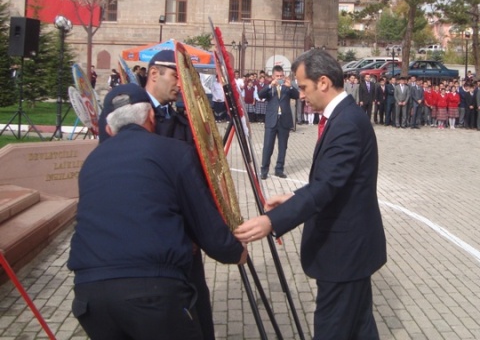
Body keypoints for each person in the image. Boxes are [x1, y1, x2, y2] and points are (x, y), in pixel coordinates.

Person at [69, 83, 247, 340]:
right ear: (151, 117)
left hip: (90, 295)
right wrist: (234, 252)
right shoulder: (174, 153)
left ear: (109, 128)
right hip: (152, 292)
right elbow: (204, 221)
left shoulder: (91, 163)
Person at [234, 49, 387, 340]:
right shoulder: (342, 117)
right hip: (350, 251)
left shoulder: (347, 124)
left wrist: (272, 221)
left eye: (303, 87)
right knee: (359, 327)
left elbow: (327, 186)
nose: (300, 95)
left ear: (324, 82)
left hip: (344, 252)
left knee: (334, 329)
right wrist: (294, 196)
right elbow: (334, 180)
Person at [97, 50, 217, 340]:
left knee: (198, 314)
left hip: (185, 238)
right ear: (154, 74)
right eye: (177, 75)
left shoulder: (179, 116)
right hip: (148, 244)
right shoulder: (124, 114)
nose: (181, 84)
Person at [258, 65, 299, 179]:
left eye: (281, 76)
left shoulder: (287, 87)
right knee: (267, 146)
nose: (280, 78)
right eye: (277, 76)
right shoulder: (270, 87)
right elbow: (260, 95)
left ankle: (279, 169)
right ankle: (264, 170)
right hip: (271, 120)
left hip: (284, 120)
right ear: (272, 76)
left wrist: (290, 87)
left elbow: (297, 96)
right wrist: (271, 85)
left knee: (282, 147)